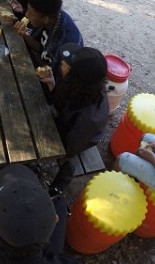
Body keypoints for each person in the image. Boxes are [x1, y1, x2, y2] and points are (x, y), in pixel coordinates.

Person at [38, 43, 109, 196]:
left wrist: (48, 142)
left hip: (76, 140)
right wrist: (52, 83)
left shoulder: (90, 118)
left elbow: (68, 147)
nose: (62, 64)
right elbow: (62, 102)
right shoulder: (79, 86)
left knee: (62, 158)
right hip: (67, 121)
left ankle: (60, 181)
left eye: (68, 66)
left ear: (78, 78)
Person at [14, 0, 83, 71]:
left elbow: (54, 73)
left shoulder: (64, 42)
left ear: (46, 19)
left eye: (31, 14)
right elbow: (41, 49)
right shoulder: (50, 19)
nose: (27, 15)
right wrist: (25, 35)